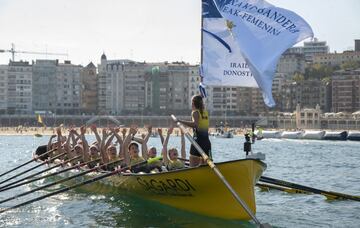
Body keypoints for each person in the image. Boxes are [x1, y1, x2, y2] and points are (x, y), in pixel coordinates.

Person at [175, 95, 211, 167]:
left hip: (197, 142)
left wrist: (180, 121)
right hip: (207, 143)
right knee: (204, 165)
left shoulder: (195, 112)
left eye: (191, 102)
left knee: (193, 165)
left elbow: (195, 124)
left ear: (193, 103)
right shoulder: (206, 112)